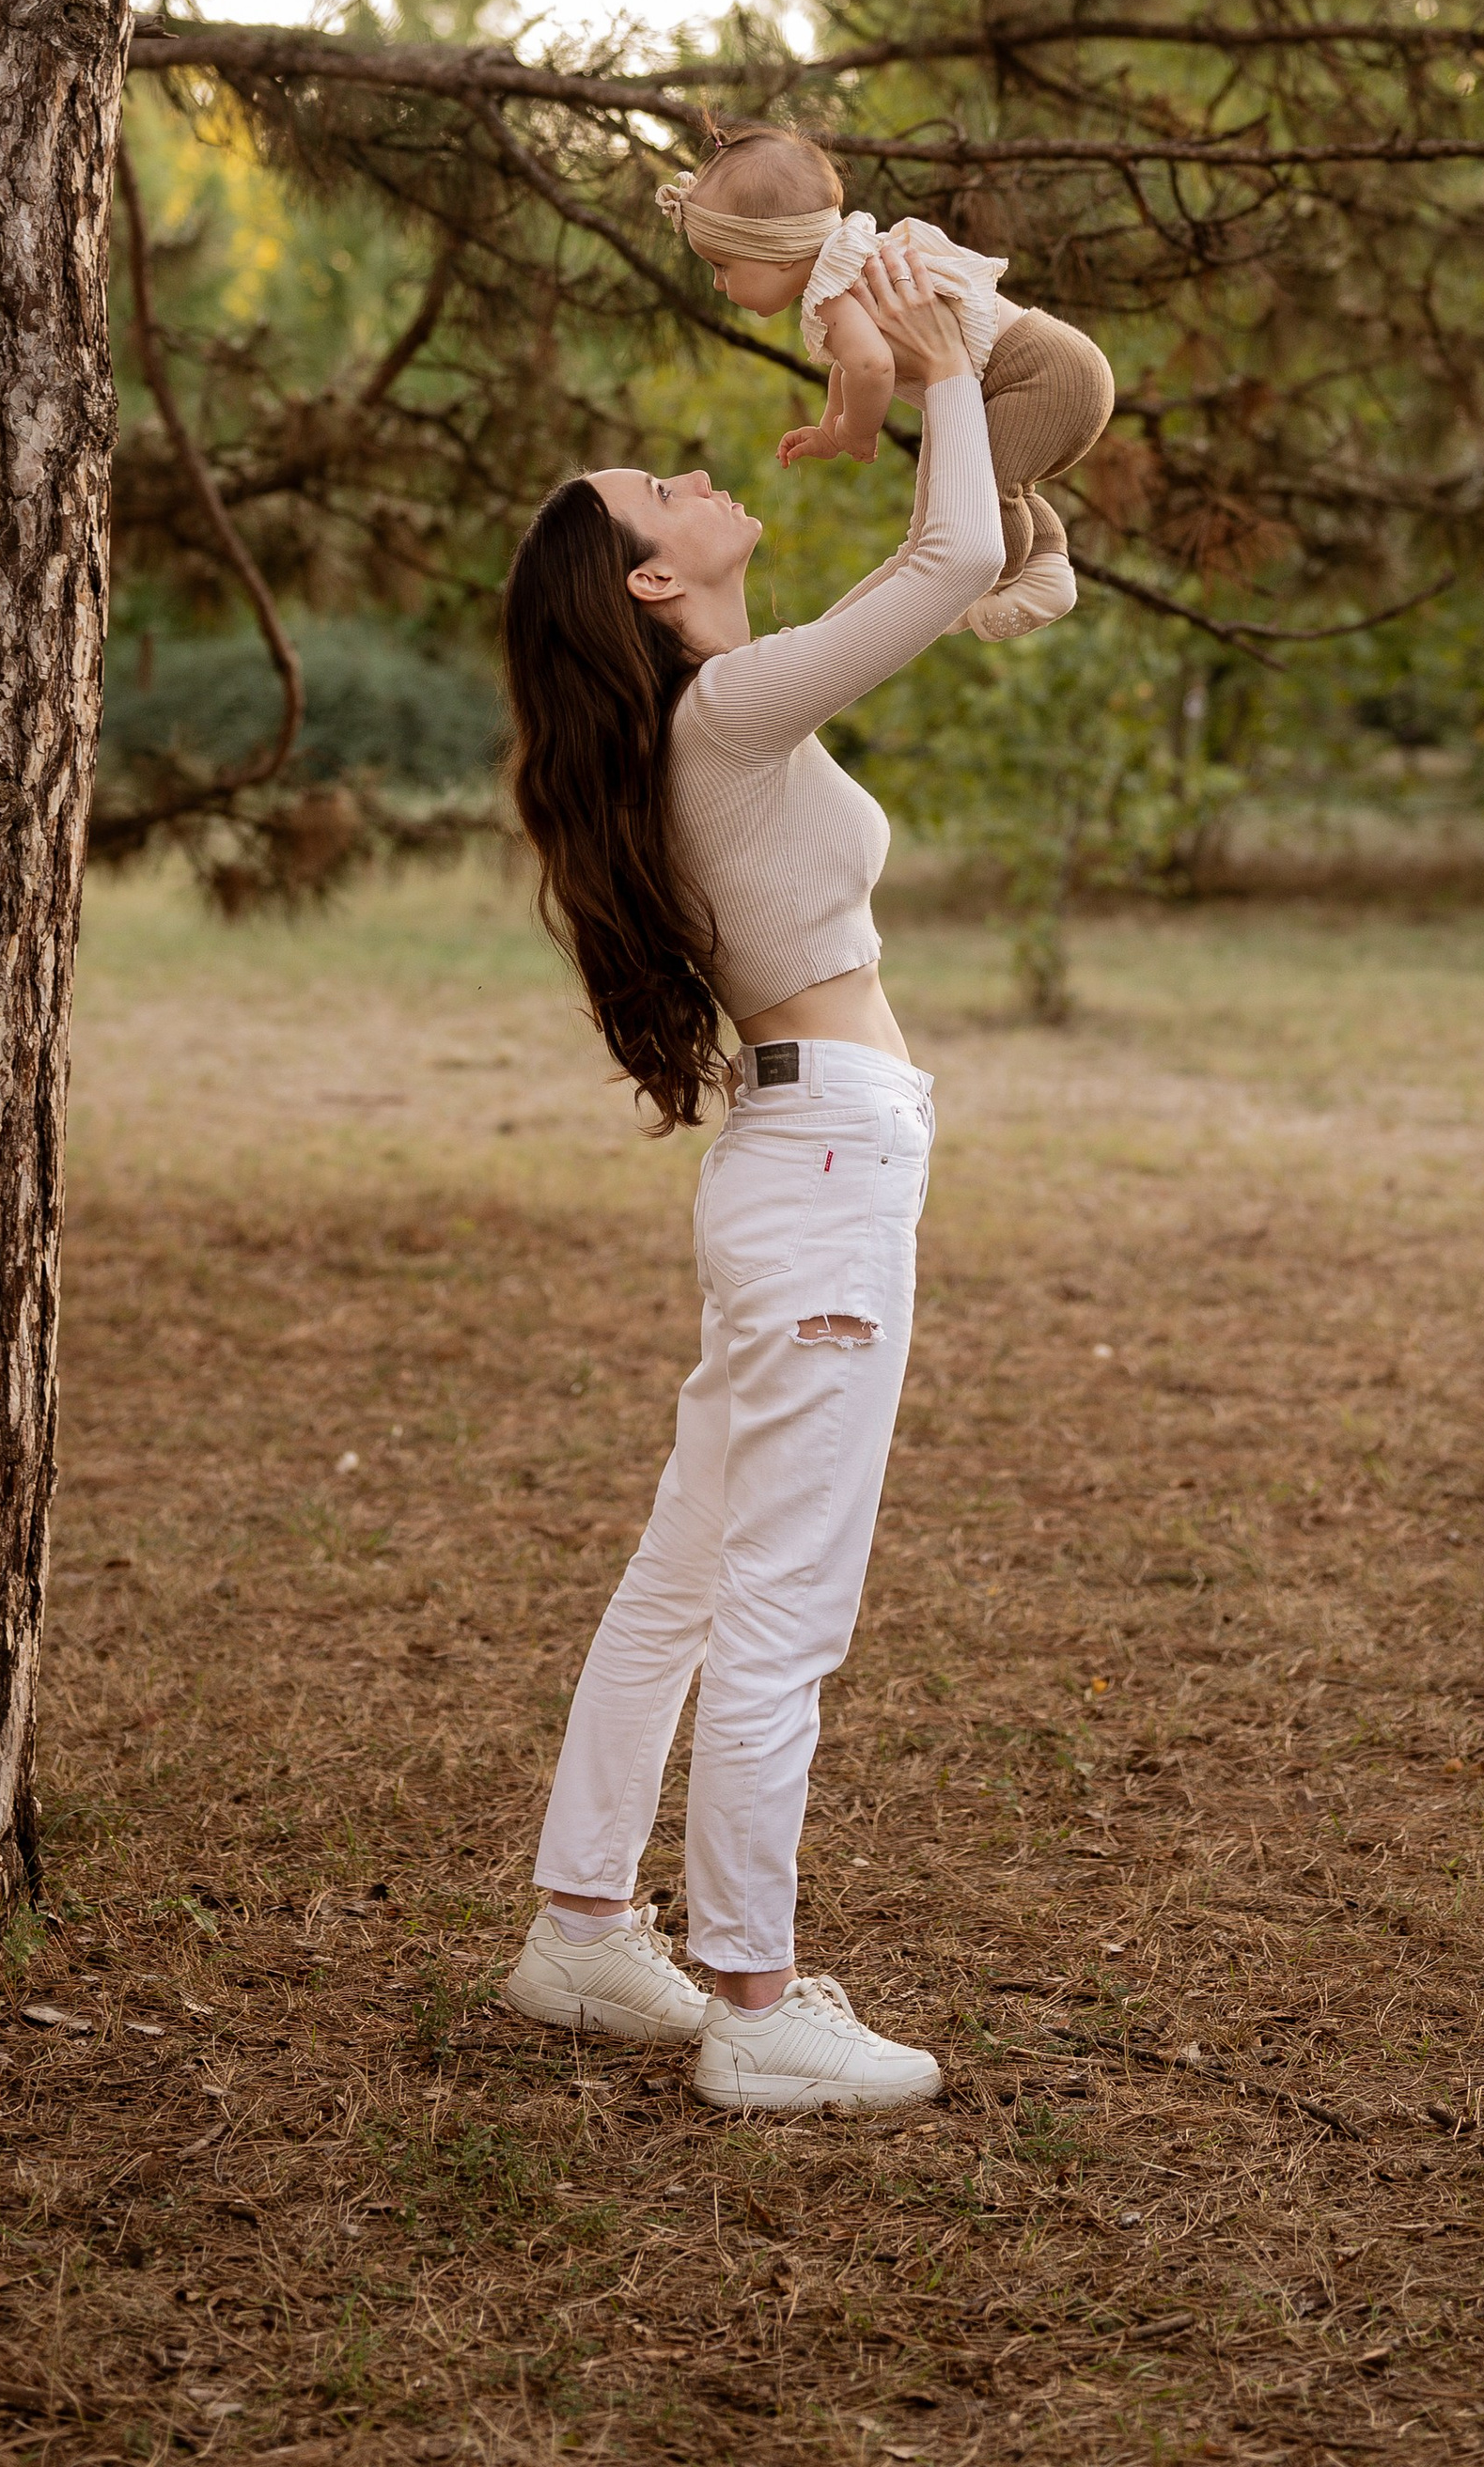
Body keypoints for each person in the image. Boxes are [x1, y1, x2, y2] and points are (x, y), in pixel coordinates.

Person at [495, 243, 1004, 2115]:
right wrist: (945, 375)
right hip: (817, 1172)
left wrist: (961, 463)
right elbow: (933, 568)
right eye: (663, 490)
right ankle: (754, 1994)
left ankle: (577, 1926)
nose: (702, 477)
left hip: (790, 1164)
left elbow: (951, 568)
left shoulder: (709, 726)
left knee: (692, 1573)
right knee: (778, 1602)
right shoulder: (718, 719)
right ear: (650, 578)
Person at [656, 123, 1117, 640]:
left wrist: (855, 432)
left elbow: (873, 367)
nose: (719, 283)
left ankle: (994, 583)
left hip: (1041, 375)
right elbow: (849, 365)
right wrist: (831, 429)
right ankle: (1050, 569)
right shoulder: (843, 272)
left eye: (723, 266)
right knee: (998, 479)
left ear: (780, 252)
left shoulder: (836, 287)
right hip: (1055, 369)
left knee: (988, 491)